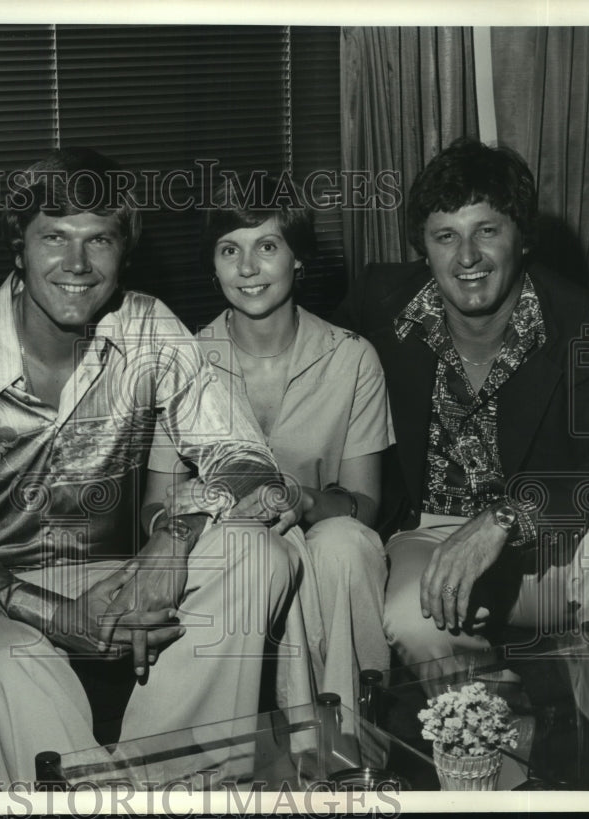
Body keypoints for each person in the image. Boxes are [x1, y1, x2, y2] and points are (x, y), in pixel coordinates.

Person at [0, 148, 314, 785]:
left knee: (259, 553)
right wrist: (49, 614)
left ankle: (170, 787)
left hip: (113, 572)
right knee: (10, 669)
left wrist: (175, 534)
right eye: (54, 237)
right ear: (18, 247)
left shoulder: (147, 326)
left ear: (122, 251)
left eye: (98, 239)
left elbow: (245, 460)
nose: (77, 265)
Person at [334, 138, 589, 666]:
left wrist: (507, 517)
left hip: (546, 550)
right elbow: (312, 371)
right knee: (412, 617)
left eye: (487, 231)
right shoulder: (378, 303)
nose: (467, 257)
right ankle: (474, 737)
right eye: (445, 236)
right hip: (428, 535)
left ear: (522, 238)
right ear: (423, 247)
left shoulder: (582, 318)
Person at [145, 174, 395, 710]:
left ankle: (349, 745)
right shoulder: (182, 362)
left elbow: (365, 506)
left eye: (267, 246)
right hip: (226, 554)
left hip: (326, 551)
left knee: (344, 545)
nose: (247, 268)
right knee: (256, 550)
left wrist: (301, 499)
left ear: (297, 258)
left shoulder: (351, 358)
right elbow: (154, 504)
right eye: (229, 250)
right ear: (213, 267)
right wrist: (199, 514)